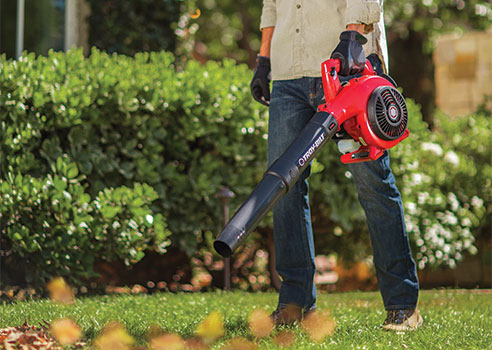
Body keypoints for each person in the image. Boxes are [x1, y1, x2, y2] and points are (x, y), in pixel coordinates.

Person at [250, 0, 422, 331]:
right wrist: (264, 58)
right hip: (288, 75)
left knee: (373, 182)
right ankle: (296, 305)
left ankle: (403, 304)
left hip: (346, 65)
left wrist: (354, 36)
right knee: (285, 187)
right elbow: (271, 6)